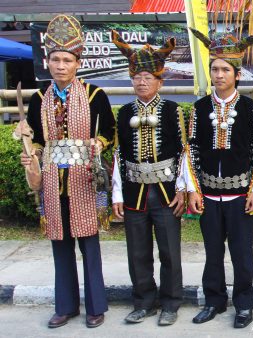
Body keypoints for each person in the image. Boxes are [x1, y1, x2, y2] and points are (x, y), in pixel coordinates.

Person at [18, 14, 115, 328]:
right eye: (56, 59)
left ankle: (95, 307)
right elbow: (36, 139)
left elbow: (110, 131)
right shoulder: (38, 99)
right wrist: (30, 152)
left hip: (84, 178)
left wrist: (99, 143)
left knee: (88, 244)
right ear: (48, 62)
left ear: (78, 63)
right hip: (51, 180)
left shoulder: (94, 96)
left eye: (67, 60)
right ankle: (66, 306)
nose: (61, 65)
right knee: (59, 244)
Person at [182, 27, 253, 329]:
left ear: (236, 73)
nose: (218, 75)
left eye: (224, 69)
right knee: (212, 253)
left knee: (242, 255)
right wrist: (193, 189)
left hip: (240, 196)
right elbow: (191, 151)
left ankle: (244, 305)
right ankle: (214, 301)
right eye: (214, 69)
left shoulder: (250, 109)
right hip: (208, 194)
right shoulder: (198, 109)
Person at [111, 30, 186, 326]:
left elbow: (184, 153)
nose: (141, 82)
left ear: (159, 81)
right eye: (136, 77)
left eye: (147, 77)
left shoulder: (171, 110)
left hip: (166, 191)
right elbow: (118, 153)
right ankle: (143, 301)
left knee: (169, 250)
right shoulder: (124, 112)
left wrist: (182, 189)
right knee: (137, 251)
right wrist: (117, 193)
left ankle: (170, 302)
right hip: (134, 191)